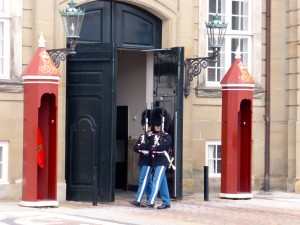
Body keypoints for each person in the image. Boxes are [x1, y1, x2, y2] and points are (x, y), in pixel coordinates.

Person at [146, 107, 172, 209]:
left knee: (156, 180)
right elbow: (149, 147)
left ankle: (151, 201)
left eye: (157, 125)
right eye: (155, 125)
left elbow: (163, 147)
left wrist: (154, 148)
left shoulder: (167, 136)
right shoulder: (153, 136)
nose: (155, 127)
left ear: (162, 125)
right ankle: (166, 202)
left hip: (162, 161)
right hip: (156, 161)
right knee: (162, 183)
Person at [130, 109, 153, 207]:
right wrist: (142, 148)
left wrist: (142, 148)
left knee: (143, 180)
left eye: (145, 125)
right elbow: (135, 147)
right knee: (148, 182)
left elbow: (150, 149)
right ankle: (150, 199)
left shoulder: (153, 137)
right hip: (142, 161)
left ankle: (138, 199)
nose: (143, 126)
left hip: (148, 162)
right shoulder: (142, 136)